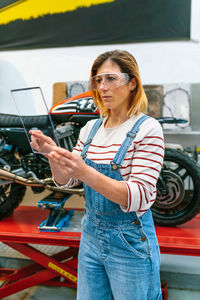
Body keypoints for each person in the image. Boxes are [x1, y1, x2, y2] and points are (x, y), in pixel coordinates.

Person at [30, 49, 164, 300]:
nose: (103, 87)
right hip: (91, 233)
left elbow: (140, 196)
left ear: (132, 82)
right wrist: (52, 154)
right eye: (98, 80)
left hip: (129, 240)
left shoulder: (148, 129)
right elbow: (68, 180)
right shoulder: (91, 128)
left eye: (111, 79)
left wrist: (85, 171)